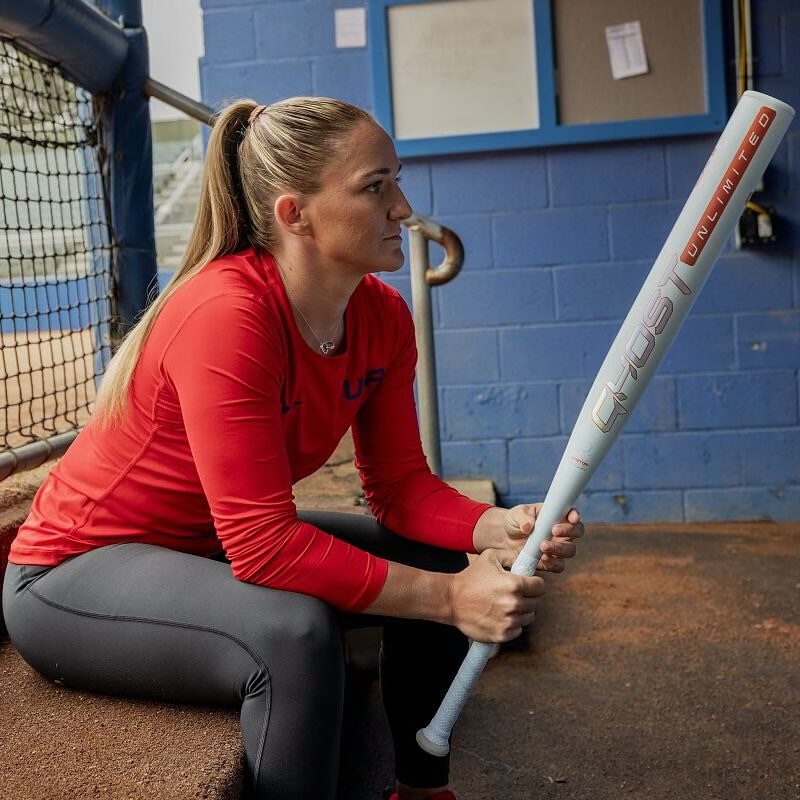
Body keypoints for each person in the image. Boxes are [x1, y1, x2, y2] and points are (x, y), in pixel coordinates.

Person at [2, 97, 584, 800]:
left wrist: (503, 527)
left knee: (428, 554)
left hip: (201, 545)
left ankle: (419, 788)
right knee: (295, 634)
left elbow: (399, 486)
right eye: (375, 186)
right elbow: (263, 546)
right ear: (293, 213)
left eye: (396, 180)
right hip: (74, 574)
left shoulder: (380, 315)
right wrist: (449, 598)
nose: (402, 207)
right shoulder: (226, 315)